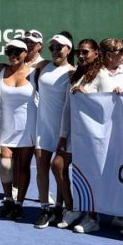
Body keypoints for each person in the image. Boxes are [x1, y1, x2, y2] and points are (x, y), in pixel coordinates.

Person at [30, 33, 75, 227]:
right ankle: (44, 208)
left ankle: (61, 206)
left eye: (60, 47)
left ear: (68, 50)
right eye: (53, 48)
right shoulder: (43, 66)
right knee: (41, 167)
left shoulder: (73, 72)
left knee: (59, 169)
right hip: (42, 126)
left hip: (63, 129)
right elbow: (23, 66)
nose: (56, 51)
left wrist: (65, 134)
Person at [60, 38, 102, 234]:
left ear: (96, 53)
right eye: (80, 52)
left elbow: (109, 107)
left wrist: (87, 95)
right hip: (73, 134)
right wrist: (63, 135)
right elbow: (68, 108)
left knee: (90, 175)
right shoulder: (76, 76)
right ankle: (72, 208)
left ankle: (93, 217)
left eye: (86, 52)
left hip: (92, 136)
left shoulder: (102, 76)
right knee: (57, 165)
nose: (82, 56)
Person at [0, 39, 38, 223]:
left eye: (17, 52)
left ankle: (19, 203)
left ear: (25, 53)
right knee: (5, 165)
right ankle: (9, 200)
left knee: (23, 167)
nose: (13, 55)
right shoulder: (0, 71)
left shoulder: (35, 73)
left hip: (28, 126)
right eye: (10, 52)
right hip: (6, 126)